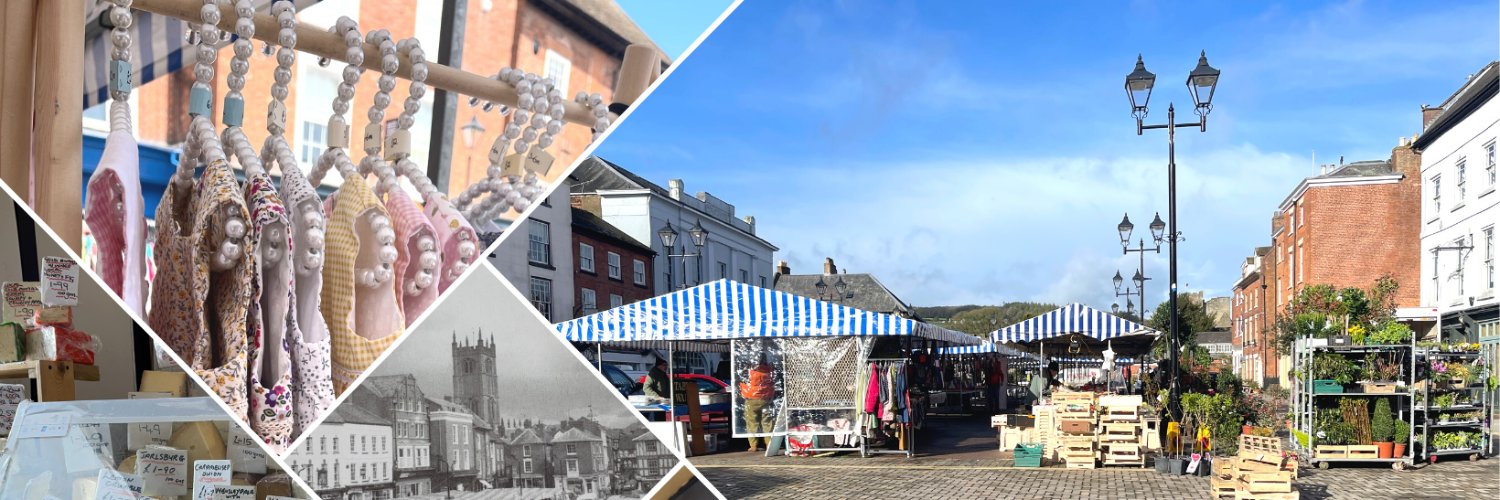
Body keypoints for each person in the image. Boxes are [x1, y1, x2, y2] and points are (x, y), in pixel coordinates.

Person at [739, 358, 777, 452]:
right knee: (767, 422)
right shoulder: (769, 372)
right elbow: (773, 384)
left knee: (752, 422)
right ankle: (769, 443)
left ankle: (753, 445)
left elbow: (742, 382)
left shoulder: (749, 371)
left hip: (751, 398)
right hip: (766, 398)